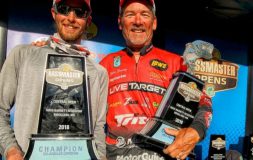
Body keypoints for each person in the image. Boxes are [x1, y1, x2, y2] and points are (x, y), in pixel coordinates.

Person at [99, 0, 213, 159]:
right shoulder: (105, 64)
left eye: (144, 15)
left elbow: (204, 103)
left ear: (154, 23)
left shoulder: (176, 63)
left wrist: (196, 131)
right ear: (120, 22)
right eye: (130, 14)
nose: (137, 21)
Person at [0, 0, 108, 159]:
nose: (71, 18)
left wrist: (101, 155)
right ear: (54, 13)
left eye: (80, 12)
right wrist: (11, 149)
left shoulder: (99, 72)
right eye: (64, 9)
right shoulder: (23, 55)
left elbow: (98, 126)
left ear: (88, 20)